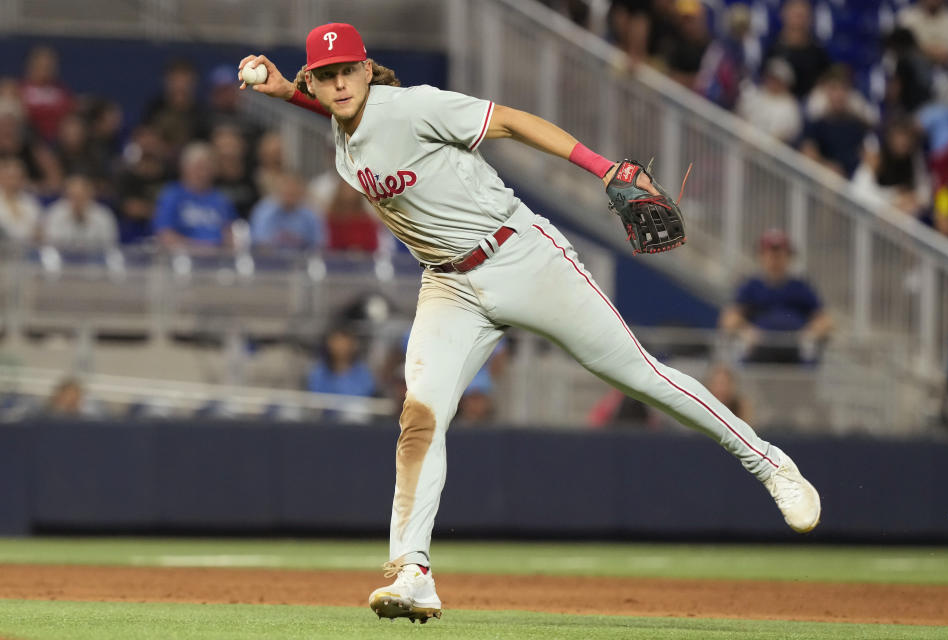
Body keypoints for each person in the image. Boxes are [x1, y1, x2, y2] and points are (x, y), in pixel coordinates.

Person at [238, 22, 822, 623]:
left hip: (518, 254)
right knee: (419, 416)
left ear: (367, 69)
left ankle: (769, 462)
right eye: (325, 76)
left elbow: (511, 121)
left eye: (347, 71)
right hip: (448, 284)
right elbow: (346, 117)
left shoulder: (413, 106)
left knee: (639, 376)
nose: (338, 84)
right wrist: (287, 93)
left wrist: (600, 169)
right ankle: (412, 572)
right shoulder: (344, 131)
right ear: (315, 79)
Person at [721, 229, 832, 363]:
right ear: (761, 256)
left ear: (789, 257)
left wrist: (809, 335)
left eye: (780, 254)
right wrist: (746, 332)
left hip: (795, 349)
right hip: (760, 348)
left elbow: (824, 321)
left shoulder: (801, 287)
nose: (775, 259)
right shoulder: (751, 287)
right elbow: (729, 320)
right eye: (770, 254)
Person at [153, 142, 236, 248]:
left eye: (208, 168)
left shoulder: (221, 199)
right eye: (198, 167)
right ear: (185, 168)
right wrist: (203, 248)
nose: (203, 173)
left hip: (218, 259)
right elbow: (165, 235)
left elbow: (231, 232)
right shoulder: (171, 196)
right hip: (182, 258)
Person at [799, 66, 871, 177]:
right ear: (826, 91)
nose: (839, 94)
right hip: (824, 179)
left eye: (843, 89)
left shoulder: (857, 125)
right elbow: (808, 152)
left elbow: (867, 154)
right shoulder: (816, 124)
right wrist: (827, 166)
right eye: (834, 89)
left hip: (853, 181)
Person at [762, 0, 832, 99]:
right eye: (794, 14)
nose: (798, 19)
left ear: (810, 18)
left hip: (810, 100)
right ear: (783, 15)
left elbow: (825, 79)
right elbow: (765, 78)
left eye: (802, 15)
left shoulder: (818, 51)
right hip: (779, 100)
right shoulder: (772, 48)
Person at [249, 170, 323, 250]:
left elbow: (319, 245)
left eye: (293, 188)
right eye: (286, 187)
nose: (290, 190)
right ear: (278, 189)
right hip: (270, 260)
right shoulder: (263, 211)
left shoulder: (311, 214)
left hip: (302, 260)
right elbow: (259, 244)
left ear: (301, 190)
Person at [735, 58, 803, 144]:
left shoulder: (790, 108)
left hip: (767, 153)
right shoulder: (756, 93)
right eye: (771, 77)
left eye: (777, 80)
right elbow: (740, 115)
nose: (772, 82)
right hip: (741, 145)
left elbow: (784, 136)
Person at [43, 174, 118, 250]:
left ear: (90, 194)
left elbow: (109, 243)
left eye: (81, 196)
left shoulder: (103, 215)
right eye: (72, 196)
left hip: (95, 259)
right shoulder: (55, 212)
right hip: (63, 258)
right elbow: (50, 242)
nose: (77, 200)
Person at [0, 157, 42, 245]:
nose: (13, 181)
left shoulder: (31, 203)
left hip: (26, 252)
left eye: (17, 177)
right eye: (9, 176)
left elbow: (38, 231)